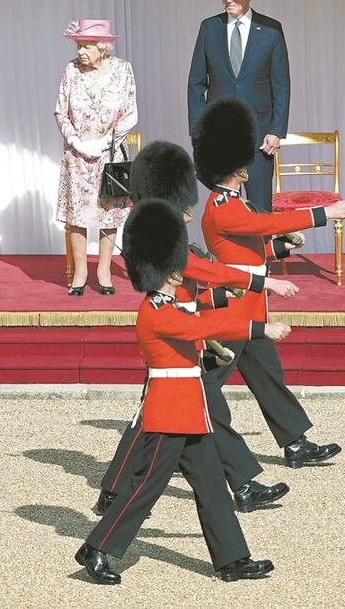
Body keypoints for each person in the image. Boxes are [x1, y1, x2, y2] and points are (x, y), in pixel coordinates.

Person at [75, 198, 280, 584]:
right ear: (164, 272)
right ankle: (96, 549)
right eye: (175, 269)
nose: (180, 273)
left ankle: (233, 559)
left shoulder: (169, 304)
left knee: (213, 488)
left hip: (191, 412)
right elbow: (199, 329)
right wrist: (258, 328)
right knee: (144, 491)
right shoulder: (156, 310)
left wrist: (208, 363)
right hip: (168, 415)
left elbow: (187, 352)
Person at [93, 141, 297, 517]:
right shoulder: (160, 235)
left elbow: (200, 288)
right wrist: (262, 283)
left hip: (188, 330)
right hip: (173, 335)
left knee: (180, 416)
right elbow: (206, 271)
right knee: (168, 417)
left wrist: (227, 294)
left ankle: (240, 485)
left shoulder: (165, 229)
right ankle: (239, 484)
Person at [195, 97, 345, 468]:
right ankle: (178, 444)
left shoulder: (237, 203)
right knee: (207, 384)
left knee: (268, 377)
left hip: (252, 306)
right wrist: (322, 214)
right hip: (233, 309)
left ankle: (295, 443)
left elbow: (254, 243)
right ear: (231, 167)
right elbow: (265, 226)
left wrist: (280, 248)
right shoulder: (223, 207)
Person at [187, 0, 289, 212]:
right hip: (219, 133)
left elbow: (281, 84)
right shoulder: (209, 27)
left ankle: (262, 251)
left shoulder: (271, 30)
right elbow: (196, 82)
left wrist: (276, 131)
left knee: (260, 205)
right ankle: (225, 252)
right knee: (224, 208)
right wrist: (199, 130)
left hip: (259, 134)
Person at [55, 19, 137, 295]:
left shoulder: (123, 70)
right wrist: (77, 141)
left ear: (103, 47)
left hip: (110, 153)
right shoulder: (71, 70)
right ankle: (80, 272)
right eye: (78, 45)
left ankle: (103, 271)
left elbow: (131, 114)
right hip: (77, 155)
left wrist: (104, 142)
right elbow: (60, 111)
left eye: (86, 46)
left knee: (109, 212)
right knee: (76, 215)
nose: (80, 51)